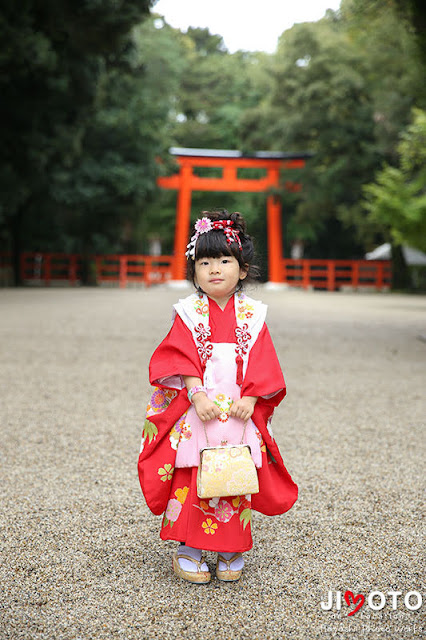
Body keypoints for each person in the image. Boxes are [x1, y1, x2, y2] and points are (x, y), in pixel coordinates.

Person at [138, 210, 298, 584]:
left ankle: (231, 547)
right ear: (193, 271)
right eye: (204, 262)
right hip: (200, 405)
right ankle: (188, 548)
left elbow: (262, 362)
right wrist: (195, 393)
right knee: (193, 469)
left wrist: (254, 400)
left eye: (224, 260)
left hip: (240, 408)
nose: (214, 269)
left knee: (235, 472)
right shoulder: (188, 312)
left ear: (242, 269)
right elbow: (181, 355)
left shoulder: (253, 315)